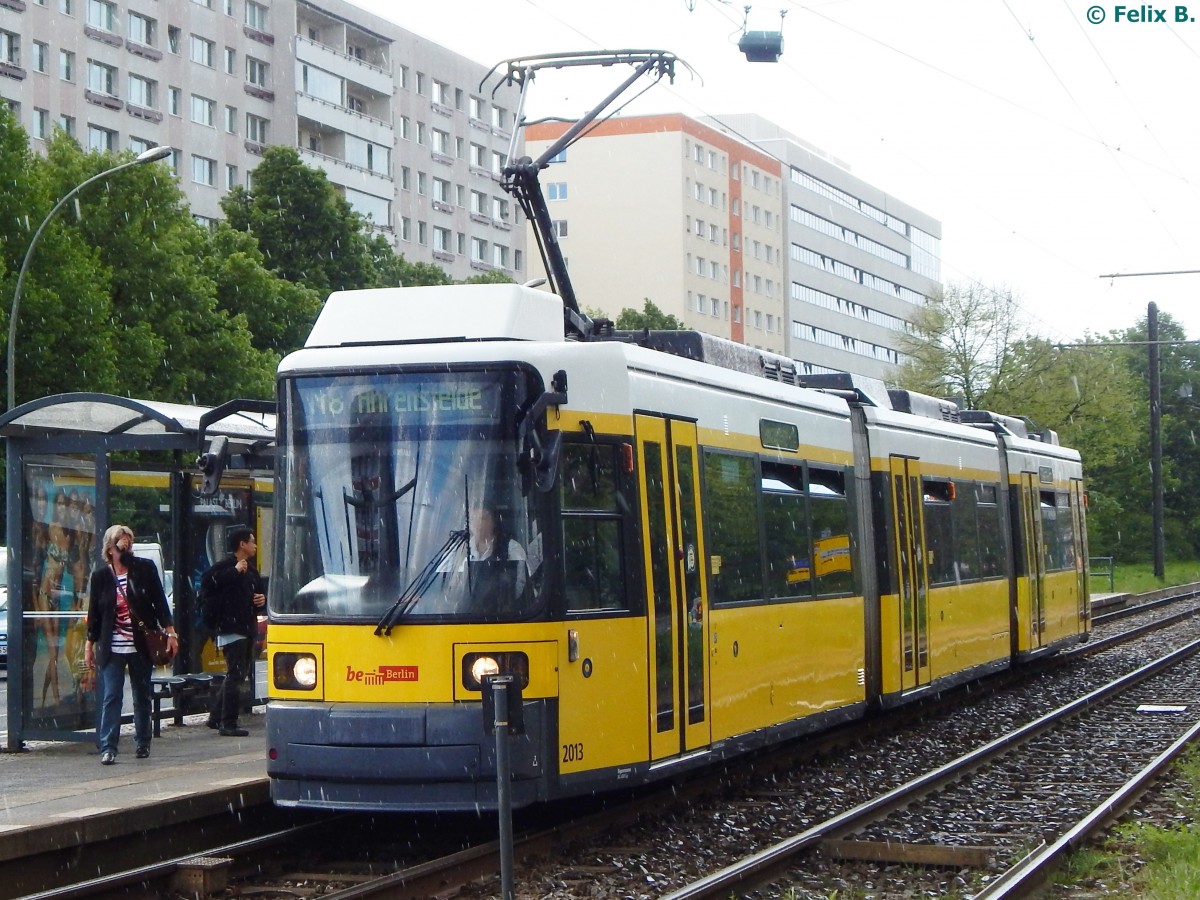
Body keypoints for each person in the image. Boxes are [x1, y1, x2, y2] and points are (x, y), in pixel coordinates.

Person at [84, 525, 178, 765]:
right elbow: (94, 613)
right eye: (121, 542)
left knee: (141, 694)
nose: (126, 546)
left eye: (129, 541)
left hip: (141, 644)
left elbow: (159, 601)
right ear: (110, 547)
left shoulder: (144, 569)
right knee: (112, 696)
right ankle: (108, 746)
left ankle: (143, 742)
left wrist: (171, 632)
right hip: (112, 646)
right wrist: (89, 645)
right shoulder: (101, 576)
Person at [202, 528, 265, 737]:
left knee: (238, 674)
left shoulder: (252, 571)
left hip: (247, 627)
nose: (255, 545)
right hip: (230, 627)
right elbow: (209, 585)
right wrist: (235, 571)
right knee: (235, 674)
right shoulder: (224, 567)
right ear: (242, 544)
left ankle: (215, 716)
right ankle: (227, 722)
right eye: (252, 541)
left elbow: (256, 596)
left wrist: (260, 601)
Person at [465, 506, 529, 610]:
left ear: (494, 522)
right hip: (463, 617)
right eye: (473, 519)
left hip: (501, 614)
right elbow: (445, 586)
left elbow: (520, 587)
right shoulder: (458, 550)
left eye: (483, 518)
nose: (477, 523)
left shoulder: (512, 548)